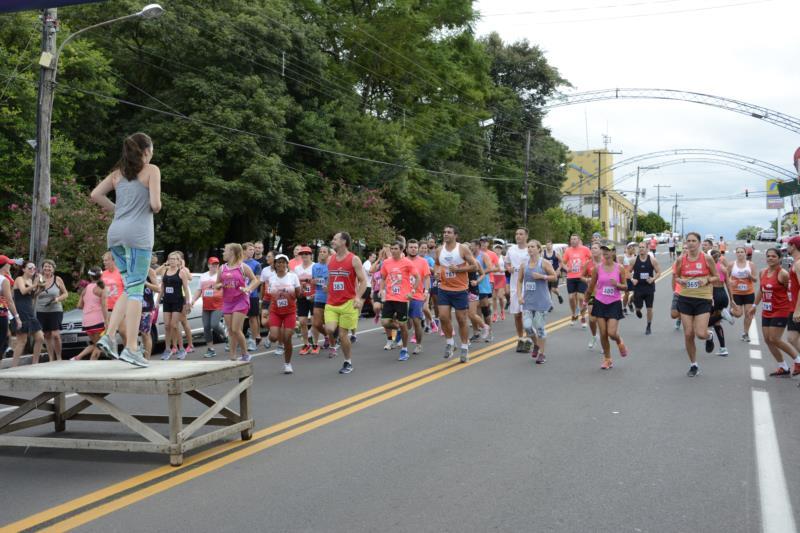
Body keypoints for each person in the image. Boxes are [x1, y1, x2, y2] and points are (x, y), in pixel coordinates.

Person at [91, 132, 160, 367]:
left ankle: (109, 337)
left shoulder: (117, 174)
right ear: (146, 151)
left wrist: (118, 210)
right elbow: (156, 205)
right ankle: (131, 347)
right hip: (138, 236)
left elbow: (95, 194)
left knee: (129, 288)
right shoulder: (151, 170)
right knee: (137, 291)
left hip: (116, 234)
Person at [748, 247, 799, 377]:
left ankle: (798, 361)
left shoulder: (783, 274)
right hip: (767, 309)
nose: (770, 258)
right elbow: (761, 289)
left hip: (781, 309)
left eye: (773, 256)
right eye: (768, 256)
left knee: (775, 338)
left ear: (780, 258)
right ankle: (783, 366)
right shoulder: (762, 272)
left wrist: (795, 308)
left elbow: (793, 290)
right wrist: (754, 305)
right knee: (767, 339)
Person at [674, 232, 717, 377]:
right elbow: (676, 276)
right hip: (685, 298)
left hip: (703, 298)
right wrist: (680, 281)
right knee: (688, 334)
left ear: (699, 243)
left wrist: (706, 280)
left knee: (700, 333)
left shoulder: (707, 258)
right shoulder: (681, 259)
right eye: (688, 241)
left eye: (693, 241)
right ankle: (694, 365)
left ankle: (709, 336)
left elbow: (716, 276)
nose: (691, 243)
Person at [324, 231, 368, 374]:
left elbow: (363, 281)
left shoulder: (354, 259)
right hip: (331, 302)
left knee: (343, 335)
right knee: (330, 329)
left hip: (348, 302)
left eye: (335, 239)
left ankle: (347, 362)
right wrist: (327, 288)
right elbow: (330, 278)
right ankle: (337, 341)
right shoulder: (330, 259)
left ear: (344, 241)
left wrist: (358, 297)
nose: (333, 241)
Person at [435, 225, 479, 363]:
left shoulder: (462, 249)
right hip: (444, 288)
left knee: (461, 319)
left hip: (460, 289)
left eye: (449, 232)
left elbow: (475, 266)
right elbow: (437, 264)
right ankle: (450, 343)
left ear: (455, 235)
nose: (445, 234)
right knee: (443, 317)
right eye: (444, 232)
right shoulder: (439, 250)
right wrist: (436, 272)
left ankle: (464, 347)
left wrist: (459, 270)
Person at [586, 244, 629, 369]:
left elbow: (626, 287)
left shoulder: (619, 268)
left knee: (611, 333)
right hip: (600, 302)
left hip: (614, 303)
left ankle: (619, 341)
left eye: (608, 250)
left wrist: (618, 285)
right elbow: (591, 286)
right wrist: (586, 300)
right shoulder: (598, 268)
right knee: (603, 334)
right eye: (603, 250)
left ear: (614, 252)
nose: (605, 252)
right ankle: (607, 359)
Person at [218, 243, 260, 362]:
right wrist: (219, 285)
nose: (223, 253)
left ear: (232, 252)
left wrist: (248, 289)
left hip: (241, 300)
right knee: (230, 330)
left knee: (236, 329)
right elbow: (217, 283)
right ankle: (232, 356)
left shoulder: (243, 267)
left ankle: (245, 353)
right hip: (227, 301)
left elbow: (255, 280)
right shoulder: (222, 268)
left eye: (225, 250)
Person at [517, 240, 556, 364]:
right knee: (527, 327)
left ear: (539, 249)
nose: (530, 249)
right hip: (528, 301)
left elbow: (554, 276)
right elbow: (519, 281)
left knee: (539, 327)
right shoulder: (524, 264)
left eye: (532, 247)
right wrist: (519, 296)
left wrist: (542, 277)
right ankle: (536, 345)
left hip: (542, 301)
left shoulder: (544, 263)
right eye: (528, 247)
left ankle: (541, 354)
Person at [380, 241, 418, 361]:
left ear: (401, 250)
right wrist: (381, 289)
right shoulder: (386, 262)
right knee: (385, 322)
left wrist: (412, 292)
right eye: (392, 248)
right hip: (390, 297)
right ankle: (401, 328)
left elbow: (417, 277)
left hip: (402, 298)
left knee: (403, 324)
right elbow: (383, 277)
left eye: (396, 248)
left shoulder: (407, 262)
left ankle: (404, 350)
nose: (393, 250)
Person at [266, 254, 301, 374]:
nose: (281, 264)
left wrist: (293, 295)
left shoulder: (293, 277)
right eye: (278, 262)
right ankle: (270, 335)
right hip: (275, 311)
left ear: (287, 264)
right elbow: (269, 295)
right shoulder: (271, 278)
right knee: (274, 337)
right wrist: (265, 308)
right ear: (275, 264)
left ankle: (287, 364)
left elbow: (298, 293)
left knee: (287, 338)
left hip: (290, 312)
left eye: (283, 262)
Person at [160, 252, 193, 360]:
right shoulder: (165, 271)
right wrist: (157, 301)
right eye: (170, 259)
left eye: (174, 259)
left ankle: (181, 348)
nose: (172, 261)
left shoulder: (181, 272)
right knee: (166, 326)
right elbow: (162, 287)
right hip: (166, 301)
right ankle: (167, 349)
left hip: (177, 301)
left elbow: (186, 289)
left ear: (179, 261)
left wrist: (187, 303)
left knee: (174, 325)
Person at [70, 267, 108, 361]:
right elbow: (104, 306)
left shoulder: (86, 288)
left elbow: (79, 305)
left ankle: (77, 357)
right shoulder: (102, 288)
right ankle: (91, 363)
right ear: (101, 276)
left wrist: (89, 306)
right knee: (100, 345)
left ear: (90, 277)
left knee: (96, 344)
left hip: (87, 321)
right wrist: (107, 321)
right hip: (98, 320)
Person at [11, 262, 45, 366]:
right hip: (20, 310)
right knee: (22, 340)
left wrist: (40, 289)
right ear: (23, 269)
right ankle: (14, 366)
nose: (32, 269)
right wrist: (35, 284)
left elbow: (32, 297)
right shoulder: (19, 279)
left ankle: (35, 363)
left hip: (29, 310)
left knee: (40, 337)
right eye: (30, 267)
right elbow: (23, 291)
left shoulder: (30, 280)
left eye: (34, 268)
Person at [34, 259, 68, 362]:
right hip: (41, 310)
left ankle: (59, 358)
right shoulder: (38, 279)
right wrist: (39, 288)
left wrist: (57, 299)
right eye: (45, 266)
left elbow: (66, 293)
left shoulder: (57, 279)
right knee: (47, 335)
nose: (47, 268)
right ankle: (51, 358)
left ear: (53, 269)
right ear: (42, 268)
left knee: (55, 335)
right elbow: (33, 295)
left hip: (55, 310)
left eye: (49, 266)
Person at [193, 257, 227, 358]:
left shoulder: (221, 276)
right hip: (206, 306)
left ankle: (226, 336)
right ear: (208, 265)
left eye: (216, 264)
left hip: (218, 304)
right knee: (206, 327)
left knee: (214, 324)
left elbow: (227, 288)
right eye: (212, 264)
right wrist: (193, 301)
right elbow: (199, 290)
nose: (214, 266)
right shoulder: (203, 276)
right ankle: (210, 349)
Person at [506, 228, 531, 352]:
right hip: (514, 286)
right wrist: (509, 267)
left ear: (526, 236)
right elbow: (507, 263)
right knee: (517, 314)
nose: (518, 236)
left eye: (521, 234)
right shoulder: (511, 249)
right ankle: (521, 339)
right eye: (516, 234)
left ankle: (529, 339)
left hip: (528, 286)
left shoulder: (530, 249)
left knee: (527, 314)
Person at [407, 239, 432, 354]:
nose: (413, 249)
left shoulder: (423, 262)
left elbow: (427, 278)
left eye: (415, 247)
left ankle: (418, 344)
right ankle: (400, 341)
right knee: (404, 322)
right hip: (403, 296)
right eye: (411, 247)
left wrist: (426, 291)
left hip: (417, 295)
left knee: (416, 321)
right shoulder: (403, 261)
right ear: (406, 249)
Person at [631, 241, 662, 335]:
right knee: (639, 307)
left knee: (649, 308)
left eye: (643, 247)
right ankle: (637, 310)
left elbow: (658, 272)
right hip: (638, 288)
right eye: (639, 247)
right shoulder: (634, 260)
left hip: (649, 288)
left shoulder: (652, 260)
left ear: (647, 249)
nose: (641, 249)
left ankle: (648, 326)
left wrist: (653, 279)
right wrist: (632, 279)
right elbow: (626, 272)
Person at [561, 234, 592, 327]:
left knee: (581, 297)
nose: (573, 241)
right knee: (571, 297)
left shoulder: (585, 249)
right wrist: (566, 268)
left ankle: (582, 317)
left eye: (575, 239)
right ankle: (574, 314)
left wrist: (586, 265)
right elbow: (563, 262)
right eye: (571, 239)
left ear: (579, 240)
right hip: (571, 277)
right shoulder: (568, 250)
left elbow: (591, 259)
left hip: (581, 276)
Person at [728, 246, 757, 342]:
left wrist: (750, 276)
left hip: (749, 292)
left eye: (742, 252)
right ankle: (730, 312)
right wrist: (730, 282)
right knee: (738, 314)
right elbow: (725, 277)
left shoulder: (751, 264)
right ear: (736, 253)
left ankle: (745, 333)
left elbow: (755, 279)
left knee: (749, 314)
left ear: (745, 253)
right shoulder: (732, 264)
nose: (740, 253)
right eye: (738, 252)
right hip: (736, 293)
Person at [708, 250, 734, 356]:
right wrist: (732, 300)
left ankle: (722, 315)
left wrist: (710, 298)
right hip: (723, 295)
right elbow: (728, 285)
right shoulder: (723, 268)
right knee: (716, 323)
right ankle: (723, 349)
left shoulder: (710, 268)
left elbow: (708, 283)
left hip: (713, 295)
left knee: (703, 323)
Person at [311, 246, 335, 357]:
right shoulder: (315, 266)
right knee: (316, 323)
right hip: (319, 296)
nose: (321, 253)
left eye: (324, 252)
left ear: (329, 254)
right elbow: (313, 280)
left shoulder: (331, 266)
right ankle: (327, 336)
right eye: (320, 251)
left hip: (330, 297)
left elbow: (335, 281)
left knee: (329, 323)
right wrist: (313, 281)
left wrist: (329, 288)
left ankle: (333, 341)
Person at [295, 246, 316, 355]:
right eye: (302, 254)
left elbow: (319, 282)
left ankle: (314, 342)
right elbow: (295, 282)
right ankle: (306, 344)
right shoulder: (297, 268)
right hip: (302, 297)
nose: (304, 256)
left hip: (313, 297)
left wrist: (315, 292)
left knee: (314, 321)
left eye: (306, 254)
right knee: (302, 321)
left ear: (310, 255)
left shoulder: (315, 266)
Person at [783, 236, 800, 375]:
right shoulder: (795, 263)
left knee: (792, 338)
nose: (786, 248)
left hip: (797, 308)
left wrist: (797, 311)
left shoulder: (799, 263)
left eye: (787, 245)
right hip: (792, 306)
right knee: (792, 338)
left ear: (793, 246)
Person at [242, 242, 263, 351]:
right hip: (239, 295)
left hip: (252, 295)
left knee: (253, 318)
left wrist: (249, 289)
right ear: (244, 250)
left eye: (253, 249)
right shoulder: (238, 263)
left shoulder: (256, 264)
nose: (253, 251)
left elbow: (259, 280)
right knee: (238, 318)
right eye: (250, 249)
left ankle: (253, 340)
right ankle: (236, 340)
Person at [0, 256, 21, 359]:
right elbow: (10, 300)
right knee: (2, 341)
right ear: (4, 266)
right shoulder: (4, 280)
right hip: (1, 312)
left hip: (3, 311)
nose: (10, 265)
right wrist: (17, 317)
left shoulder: (6, 278)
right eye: (8, 264)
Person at [582, 243, 603, 350]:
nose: (593, 250)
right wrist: (586, 280)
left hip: (604, 294)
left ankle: (604, 343)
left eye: (595, 248)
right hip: (592, 294)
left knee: (602, 319)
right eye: (592, 248)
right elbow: (581, 276)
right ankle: (595, 336)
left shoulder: (606, 262)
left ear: (600, 250)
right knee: (592, 319)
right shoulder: (588, 263)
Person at [259, 251, 275, 351]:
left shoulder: (280, 270)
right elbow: (262, 284)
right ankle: (272, 332)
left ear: (275, 258)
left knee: (276, 320)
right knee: (264, 322)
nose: (267, 258)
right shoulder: (265, 270)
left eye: (269, 257)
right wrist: (261, 297)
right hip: (267, 298)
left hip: (277, 299)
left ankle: (279, 343)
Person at [491, 243, 507, 321]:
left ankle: (502, 311)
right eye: (496, 248)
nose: (498, 250)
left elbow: (507, 268)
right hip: (493, 277)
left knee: (500, 297)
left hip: (501, 277)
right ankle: (495, 314)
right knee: (494, 297)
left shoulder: (503, 258)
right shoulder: (491, 258)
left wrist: (502, 270)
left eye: (500, 249)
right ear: (493, 250)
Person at [620, 243, 637, 315]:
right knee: (626, 294)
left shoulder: (636, 257)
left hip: (635, 278)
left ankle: (630, 303)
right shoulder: (623, 257)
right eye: (632, 248)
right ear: (628, 248)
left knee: (636, 293)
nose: (634, 249)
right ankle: (624, 308)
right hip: (626, 278)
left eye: (634, 248)